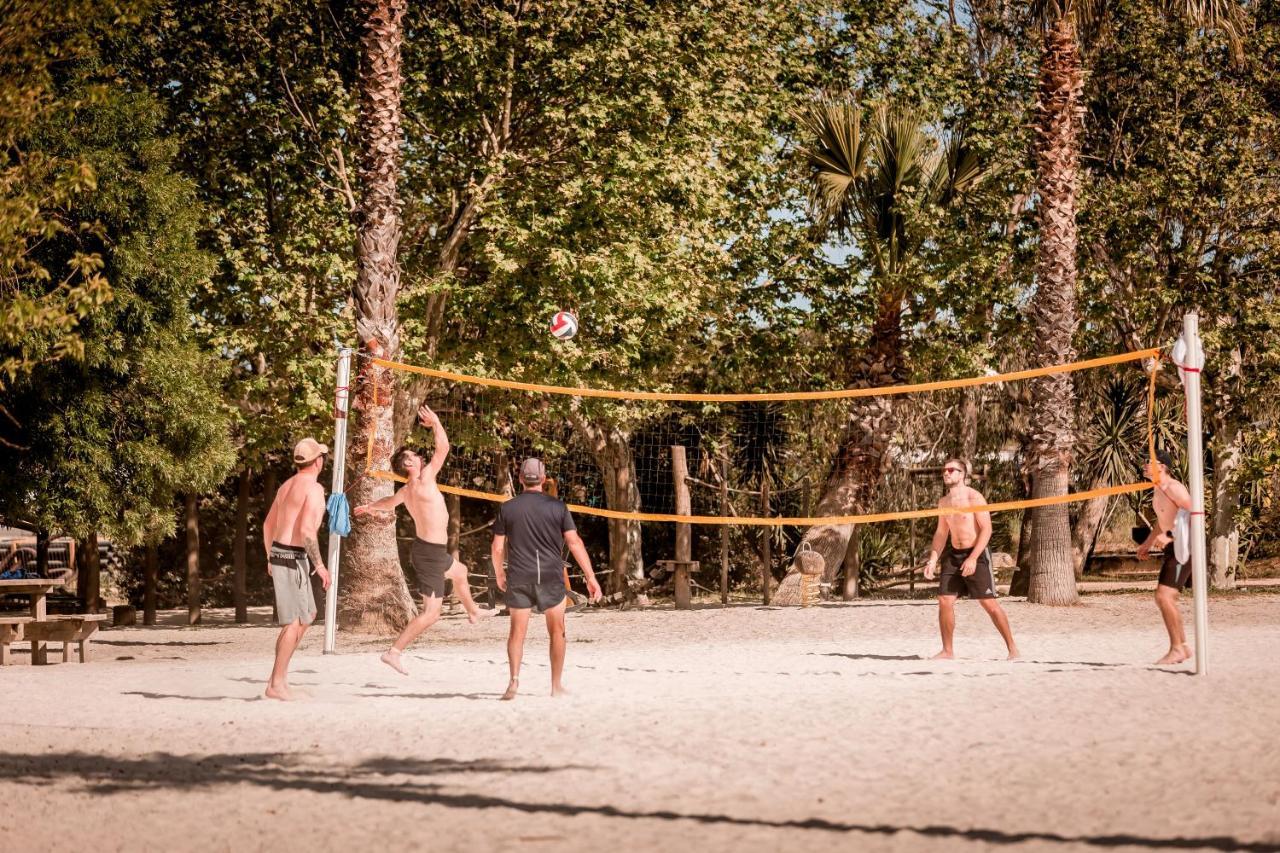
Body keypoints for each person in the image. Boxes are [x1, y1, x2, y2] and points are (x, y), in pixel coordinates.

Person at [354, 404, 488, 676]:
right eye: (414, 456)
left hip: (429, 551)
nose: (418, 457)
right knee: (431, 613)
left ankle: (473, 612)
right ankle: (393, 652)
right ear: (408, 465)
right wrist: (437, 422)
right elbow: (444, 449)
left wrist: (370, 507)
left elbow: (389, 503)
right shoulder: (424, 478)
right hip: (429, 553)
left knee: (460, 572)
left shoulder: (405, 490)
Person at [491, 458, 602, 700]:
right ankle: (555, 686)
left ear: (520, 479)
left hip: (519, 575)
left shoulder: (507, 508)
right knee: (557, 631)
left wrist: (499, 573)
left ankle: (514, 681)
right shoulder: (558, 507)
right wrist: (590, 577)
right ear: (544, 479)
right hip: (550, 576)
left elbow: (498, 548)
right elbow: (575, 543)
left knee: (516, 633)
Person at [923, 458, 1020, 660]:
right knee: (944, 600)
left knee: (989, 605)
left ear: (962, 474)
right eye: (944, 470)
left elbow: (987, 529)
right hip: (954, 555)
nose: (946, 473)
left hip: (976, 553)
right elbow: (941, 534)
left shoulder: (974, 497)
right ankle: (948, 651)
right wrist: (932, 560)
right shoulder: (944, 502)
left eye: (951, 469)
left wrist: (974, 558)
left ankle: (1012, 648)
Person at [261, 437, 332, 700]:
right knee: (294, 623)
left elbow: (267, 526)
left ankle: (277, 679)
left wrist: (270, 556)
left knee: (308, 615)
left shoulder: (286, 486)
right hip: (293, 556)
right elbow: (306, 531)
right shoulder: (314, 489)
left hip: (282, 553)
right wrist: (320, 566)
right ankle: (276, 684)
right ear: (319, 461)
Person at [1135, 449, 1195, 665]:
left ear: (1161, 466)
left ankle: (1178, 648)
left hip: (1185, 547)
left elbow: (1193, 515)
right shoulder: (1158, 490)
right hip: (1174, 546)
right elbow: (1163, 521)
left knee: (1164, 597)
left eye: (1148, 461)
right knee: (1167, 598)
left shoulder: (1174, 488)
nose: (1144, 465)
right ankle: (1183, 647)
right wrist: (1148, 543)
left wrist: (1170, 536)